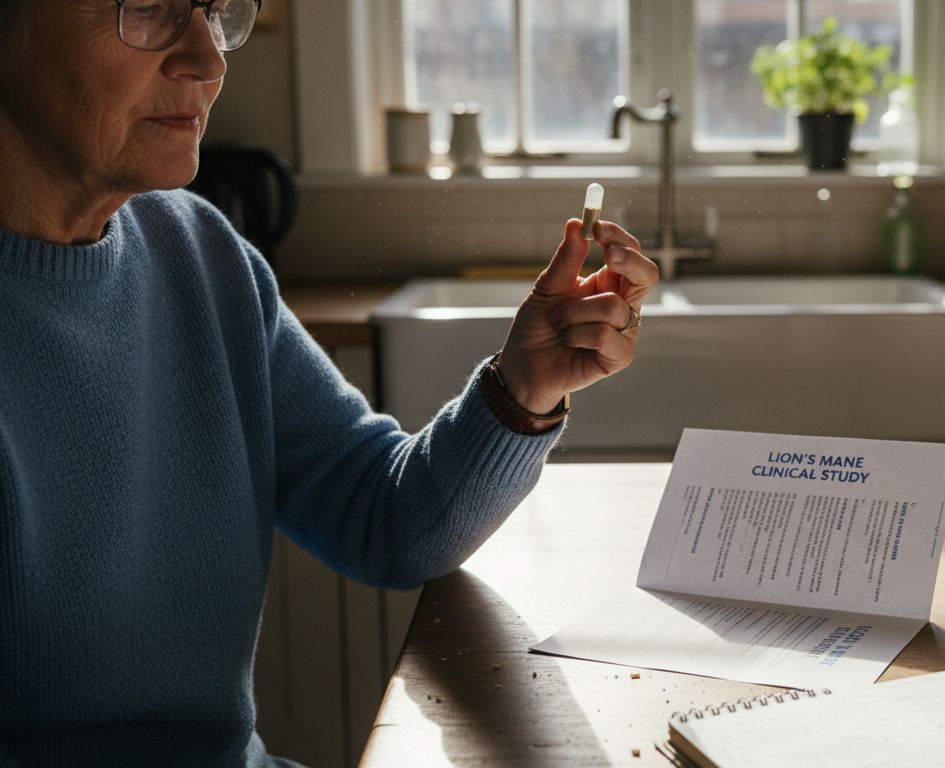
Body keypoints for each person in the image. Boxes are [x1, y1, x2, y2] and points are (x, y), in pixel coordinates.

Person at [0, 0, 658, 765]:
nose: (209, 61)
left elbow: (385, 517)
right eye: (148, 8)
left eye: (215, 11)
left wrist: (522, 388)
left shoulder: (204, 258)